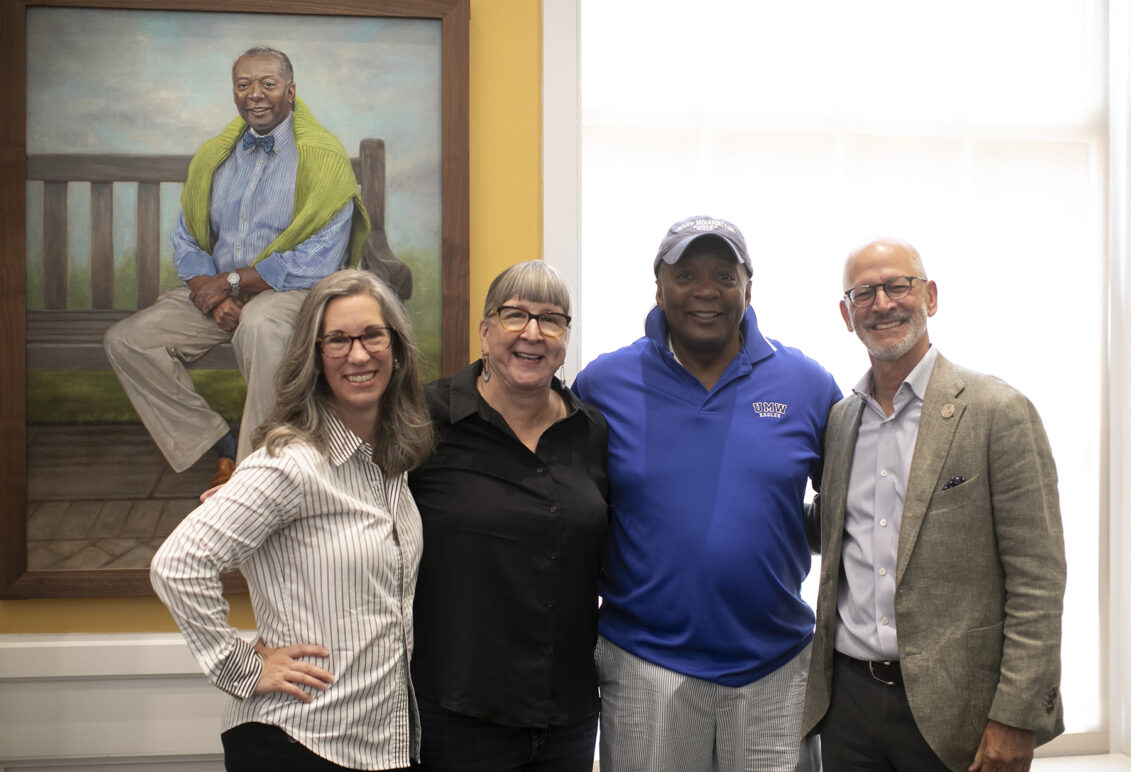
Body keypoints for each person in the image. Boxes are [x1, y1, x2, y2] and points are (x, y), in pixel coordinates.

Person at [572, 216, 841, 772]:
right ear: (658, 287)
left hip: (777, 666)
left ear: (748, 287)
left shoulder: (807, 385)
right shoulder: (603, 384)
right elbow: (569, 508)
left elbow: (852, 511)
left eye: (724, 274)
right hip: (646, 665)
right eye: (686, 273)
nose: (705, 291)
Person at [150, 269, 433, 771]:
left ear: (397, 348)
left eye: (372, 335)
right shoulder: (287, 463)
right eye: (338, 340)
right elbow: (178, 564)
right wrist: (242, 668)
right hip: (298, 741)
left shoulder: (389, 466)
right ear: (315, 357)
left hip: (377, 742)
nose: (359, 354)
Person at [801, 238, 1066, 772]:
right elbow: (831, 529)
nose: (882, 303)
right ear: (845, 314)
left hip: (957, 709)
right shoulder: (840, 421)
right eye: (864, 293)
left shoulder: (999, 412)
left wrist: (1017, 717)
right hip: (847, 704)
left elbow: (1038, 577)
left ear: (931, 297)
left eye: (898, 285)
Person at [105, 46, 370, 491]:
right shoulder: (217, 155)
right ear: (234, 91)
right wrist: (213, 298)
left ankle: (256, 480)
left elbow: (318, 259)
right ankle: (226, 445)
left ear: (291, 91)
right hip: (217, 294)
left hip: (290, 293)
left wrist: (231, 284)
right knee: (129, 341)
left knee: (261, 327)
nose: (255, 95)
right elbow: (187, 238)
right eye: (244, 84)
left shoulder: (321, 157)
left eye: (267, 83)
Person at [408, 261, 609, 771]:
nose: (532, 333)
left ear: (565, 339)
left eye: (552, 320)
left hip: (568, 716)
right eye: (514, 315)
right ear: (484, 331)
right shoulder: (424, 419)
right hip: (458, 717)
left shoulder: (591, 431)